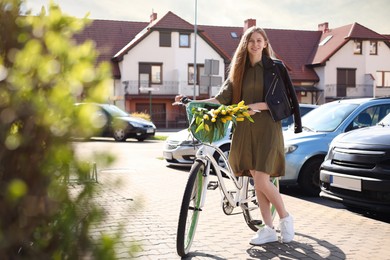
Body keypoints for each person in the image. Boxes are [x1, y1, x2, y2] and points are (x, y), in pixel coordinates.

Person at [175, 26, 302, 245]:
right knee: (257, 181)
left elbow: (281, 101)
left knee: (261, 179)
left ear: (265, 43)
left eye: (259, 40)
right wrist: (193, 102)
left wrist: (254, 106)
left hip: (267, 127)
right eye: (251, 40)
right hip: (244, 128)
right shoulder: (238, 69)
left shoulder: (274, 68)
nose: (255, 44)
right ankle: (268, 230)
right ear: (245, 44)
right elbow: (221, 98)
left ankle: (285, 218)